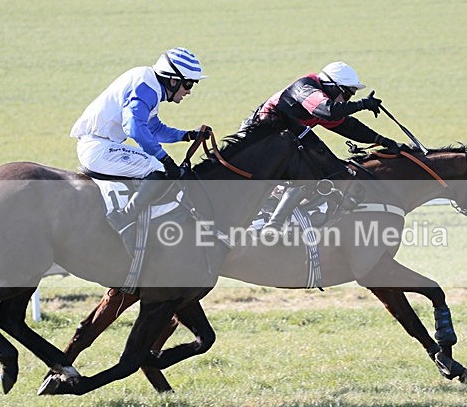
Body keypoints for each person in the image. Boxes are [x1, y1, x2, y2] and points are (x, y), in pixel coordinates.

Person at [70, 47, 211, 256]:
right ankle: (125, 218)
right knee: (159, 168)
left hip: (102, 144)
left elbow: (153, 129)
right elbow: (134, 127)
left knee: (160, 165)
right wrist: (163, 157)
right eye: (188, 84)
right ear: (172, 80)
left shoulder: (149, 84)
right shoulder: (146, 86)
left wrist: (186, 135)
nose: (189, 91)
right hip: (98, 147)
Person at [241, 61, 402, 234]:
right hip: (258, 138)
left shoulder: (323, 100)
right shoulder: (306, 88)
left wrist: (382, 140)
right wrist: (361, 104)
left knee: (320, 165)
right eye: (346, 95)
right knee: (310, 166)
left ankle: (296, 212)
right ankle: (274, 224)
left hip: (281, 139)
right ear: (332, 86)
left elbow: (348, 126)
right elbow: (328, 111)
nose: (346, 101)